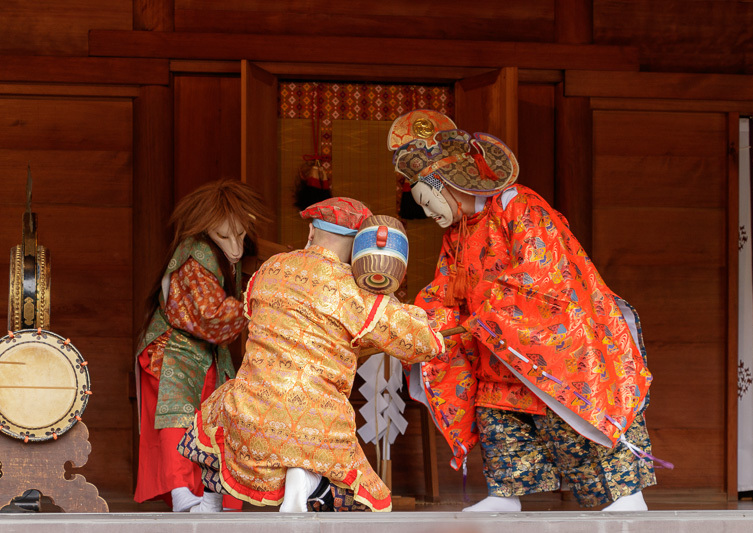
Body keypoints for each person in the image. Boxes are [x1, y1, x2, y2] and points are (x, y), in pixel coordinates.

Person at [388, 110, 661, 512]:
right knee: (500, 417)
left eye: (430, 203)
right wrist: (421, 323)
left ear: (447, 185)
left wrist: (486, 318)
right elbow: (445, 288)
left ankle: (624, 495)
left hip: (554, 340)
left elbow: (542, 271)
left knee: (574, 412)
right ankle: (505, 493)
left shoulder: (519, 206)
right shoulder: (458, 233)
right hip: (495, 346)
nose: (430, 214)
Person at [177, 197, 446, 512]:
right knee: (363, 499)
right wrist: (433, 331)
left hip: (251, 413)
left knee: (214, 419)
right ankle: (312, 483)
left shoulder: (271, 268)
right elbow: (417, 343)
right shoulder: (356, 291)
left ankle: (210, 503)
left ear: (310, 233)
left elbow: (251, 312)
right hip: (318, 422)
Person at [134, 179, 267, 512]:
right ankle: (183, 492)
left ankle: (210, 494)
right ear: (206, 229)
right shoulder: (195, 252)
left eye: (240, 234)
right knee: (178, 414)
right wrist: (261, 306)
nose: (235, 246)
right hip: (173, 350)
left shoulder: (223, 254)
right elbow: (210, 315)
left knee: (215, 417)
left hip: (205, 353)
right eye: (225, 236)